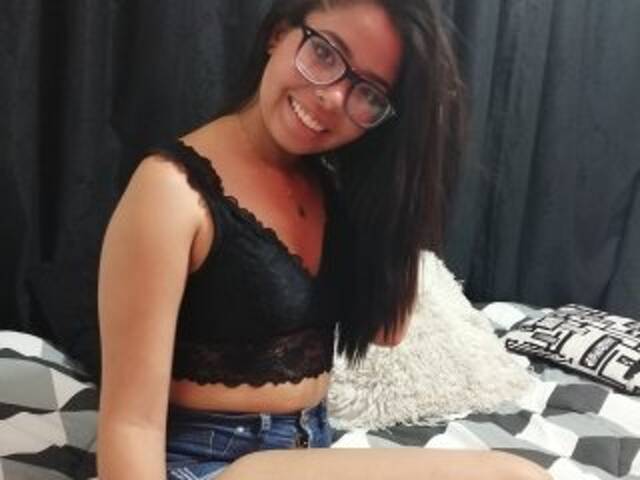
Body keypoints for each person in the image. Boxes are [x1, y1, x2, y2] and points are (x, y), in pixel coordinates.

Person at [97, 0, 551, 479]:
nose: (333, 97)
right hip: (199, 464)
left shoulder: (328, 189)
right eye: (325, 54)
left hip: (308, 449)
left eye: (368, 93)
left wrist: (403, 175)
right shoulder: (170, 191)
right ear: (278, 33)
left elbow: (387, 330)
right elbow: (131, 425)